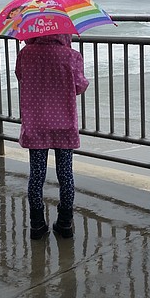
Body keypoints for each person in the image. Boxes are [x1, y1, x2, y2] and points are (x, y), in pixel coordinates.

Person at [15, 33, 88, 239]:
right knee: (65, 174)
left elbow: (21, 76)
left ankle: (37, 225)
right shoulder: (71, 55)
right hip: (63, 124)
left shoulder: (25, 54)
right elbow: (79, 86)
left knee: (36, 176)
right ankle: (65, 222)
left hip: (36, 123)